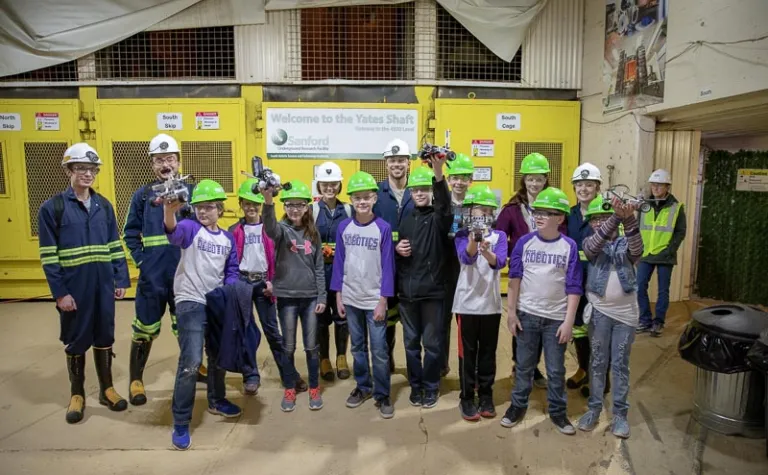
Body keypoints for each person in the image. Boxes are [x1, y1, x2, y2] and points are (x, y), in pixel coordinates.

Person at [38, 143, 131, 424]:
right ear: (69, 170)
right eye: (80, 168)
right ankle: (76, 394)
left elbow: (114, 244)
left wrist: (121, 277)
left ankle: (107, 390)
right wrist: (60, 293)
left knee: (105, 335)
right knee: (76, 339)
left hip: (102, 285)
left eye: (92, 169)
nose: (87, 174)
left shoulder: (104, 205)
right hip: (74, 288)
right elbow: (48, 256)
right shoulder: (51, 208)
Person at [123, 133, 205, 407]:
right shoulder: (143, 196)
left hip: (186, 274)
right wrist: (143, 263)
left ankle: (194, 366)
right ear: (152, 165)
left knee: (186, 324)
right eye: (159, 160)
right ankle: (136, 379)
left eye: (169, 158)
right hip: (153, 276)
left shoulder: (193, 193)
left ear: (179, 162)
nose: (165, 164)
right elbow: (130, 233)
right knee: (144, 327)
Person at [165, 179, 241, 450]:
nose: (203, 212)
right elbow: (174, 233)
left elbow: (231, 269)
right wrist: (169, 211)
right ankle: (181, 421)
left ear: (220, 209)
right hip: (190, 301)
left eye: (209, 207)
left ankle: (217, 400)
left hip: (216, 302)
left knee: (217, 357)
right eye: (199, 207)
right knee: (191, 360)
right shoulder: (190, 228)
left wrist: (230, 289)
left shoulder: (228, 238)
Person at [502, 187, 582, 435]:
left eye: (546, 213)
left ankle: (558, 413)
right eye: (537, 212)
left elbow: (574, 286)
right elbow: (514, 279)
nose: (539, 216)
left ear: (560, 218)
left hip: (555, 319)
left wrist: (568, 322)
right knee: (524, 366)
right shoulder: (525, 243)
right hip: (527, 315)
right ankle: (517, 406)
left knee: (556, 370)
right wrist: (512, 313)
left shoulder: (568, 247)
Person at [496, 152, 565, 388]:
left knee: (544, 320)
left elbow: (563, 236)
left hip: (549, 272)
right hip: (523, 273)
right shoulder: (512, 208)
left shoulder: (555, 204)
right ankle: (521, 364)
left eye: (539, 178)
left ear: (546, 179)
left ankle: (534, 366)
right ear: (523, 180)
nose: (534, 183)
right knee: (523, 319)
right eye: (530, 179)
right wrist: (502, 256)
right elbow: (499, 235)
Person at [576, 195, 643, 439]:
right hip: (600, 314)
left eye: (603, 217)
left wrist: (629, 218)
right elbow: (593, 247)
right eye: (595, 218)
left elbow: (638, 249)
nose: (599, 222)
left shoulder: (626, 243)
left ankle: (620, 416)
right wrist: (616, 216)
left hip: (626, 316)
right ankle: (594, 409)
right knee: (597, 363)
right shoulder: (590, 243)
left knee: (620, 365)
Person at [229, 179, 303, 395]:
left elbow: (281, 258)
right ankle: (250, 375)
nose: (251, 208)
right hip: (242, 282)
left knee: (273, 331)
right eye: (247, 203)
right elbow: (230, 260)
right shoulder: (234, 230)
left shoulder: (271, 228)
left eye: (256, 204)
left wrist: (274, 281)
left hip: (265, 283)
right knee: (245, 331)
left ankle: (289, 375)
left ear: (261, 204)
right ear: (241, 204)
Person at [331, 171, 396, 419]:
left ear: (374, 198)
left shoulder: (383, 228)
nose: (362, 202)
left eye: (366, 197)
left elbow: (388, 267)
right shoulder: (343, 227)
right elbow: (339, 263)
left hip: (373, 300)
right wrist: (338, 295)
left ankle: (382, 393)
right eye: (357, 198)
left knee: (379, 349)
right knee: (357, 348)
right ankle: (363, 387)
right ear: (351, 200)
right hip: (351, 298)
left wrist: (383, 300)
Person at [261, 181, 327, 412]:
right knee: (288, 347)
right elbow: (268, 228)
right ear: (285, 207)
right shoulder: (280, 230)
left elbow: (319, 267)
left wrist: (322, 297)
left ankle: (314, 388)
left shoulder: (313, 233)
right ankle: (289, 387)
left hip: (310, 298)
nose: (295, 209)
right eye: (290, 205)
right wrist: (268, 200)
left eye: (299, 205)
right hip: (287, 298)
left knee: (311, 347)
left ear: (307, 207)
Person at [395, 157, 452, 409]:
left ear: (431, 192)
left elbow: (445, 206)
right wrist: (399, 249)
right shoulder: (405, 218)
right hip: (407, 292)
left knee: (432, 344)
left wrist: (438, 173)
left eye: (425, 190)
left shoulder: (439, 218)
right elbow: (400, 247)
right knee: (410, 344)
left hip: (432, 293)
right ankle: (416, 385)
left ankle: (431, 386)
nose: (419, 194)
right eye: (416, 190)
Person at [453, 184, 508, 421]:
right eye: (478, 210)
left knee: (487, 353)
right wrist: (475, 240)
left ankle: (485, 394)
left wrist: (487, 250)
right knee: (468, 354)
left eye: (487, 211)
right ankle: (466, 397)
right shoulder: (460, 235)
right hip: (466, 304)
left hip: (491, 305)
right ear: (469, 212)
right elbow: (466, 258)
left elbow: (500, 263)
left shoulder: (500, 236)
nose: (482, 215)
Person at [373, 138, 415, 372]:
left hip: (412, 269)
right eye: (392, 160)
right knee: (386, 321)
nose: (397, 165)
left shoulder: (418, 190)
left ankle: (412, 364)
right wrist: (393, 246)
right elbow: (372, 229)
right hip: (385, 269)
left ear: (408, 163)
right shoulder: (377, 193)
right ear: (386, 163)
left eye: (401, 160)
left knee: (411, 322)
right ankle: (386, 358)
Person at [312, 162, 352, 382]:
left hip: (342, 272)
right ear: (319, 185)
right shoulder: (312, 210)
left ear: (339, 185)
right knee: (320, 317)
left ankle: (341, 357)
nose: (330, 188)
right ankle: (324, 359)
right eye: (325, 184)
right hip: (318, 273)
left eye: (334, 184)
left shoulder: (348, 210)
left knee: (342, 316)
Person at [566, 163, 603, 397]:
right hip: (575, 279)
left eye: (589, 185)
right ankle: (582, 368)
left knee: (599, 330)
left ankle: (600, 378)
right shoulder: (568, 214)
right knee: (579, 327)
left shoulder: (605, 213)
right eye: (580, 184)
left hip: (600, 279)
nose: (584, 189)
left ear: (598, 187)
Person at [637, 169, 686, 337]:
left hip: (665, 255)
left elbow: (680, 232)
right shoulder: (644, 205)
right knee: (639, 287)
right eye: (653, 185)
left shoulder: (676, 207)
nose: (655, 188)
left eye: (659, 185)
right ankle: (644, 320)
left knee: (662, 291)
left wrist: (670, 250)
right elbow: (637, 228)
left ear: (667, 187)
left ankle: (658, 322)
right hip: (646, 253)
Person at [442, 153, 475, 377]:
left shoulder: (477, 204)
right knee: (441, 323)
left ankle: (467, 370)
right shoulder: (441, 203)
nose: (459, 182)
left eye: (464, 178)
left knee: (465, 325)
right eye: (455, 177)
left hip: (468, 271)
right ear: (448, 179)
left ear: (470, 180)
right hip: (444, 270)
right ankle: (442, 366)